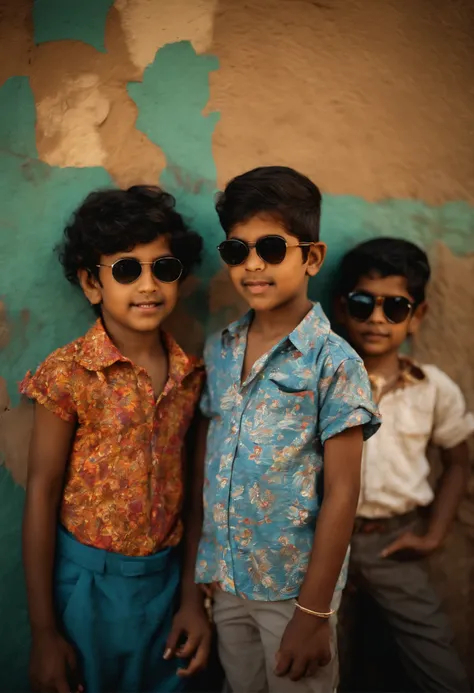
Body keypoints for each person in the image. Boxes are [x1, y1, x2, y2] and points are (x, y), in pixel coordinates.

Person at [192, 166, 381, 693]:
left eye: (272, 249)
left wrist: (313, 611)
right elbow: (209, 462)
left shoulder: (334, 362)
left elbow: (344, 490)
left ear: (311, 257)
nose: (253, 264)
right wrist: (202, 574)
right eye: (237, 251)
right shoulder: (220, 348)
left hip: (293, 590)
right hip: (226, 580)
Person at [20, 186, 211, 693]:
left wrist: (192, 598)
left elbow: (193, 497)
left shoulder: (190, 376)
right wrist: (43, 633)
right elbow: (42, 489)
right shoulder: (69, 373)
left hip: (167, 584)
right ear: (90, 283)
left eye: (163, 268)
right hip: (87, 587)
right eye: (127, 269)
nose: (148, 285)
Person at [336, 237, 473, 692]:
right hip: (321, 543)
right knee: (320, 662)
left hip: (393, 542)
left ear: (418, 316)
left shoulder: (433, 389)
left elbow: (457, 462)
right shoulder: (322, 382)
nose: (377, 318)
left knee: (436, 665)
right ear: (341, 308)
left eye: (395, 307)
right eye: (363, 303)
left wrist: (433, 533)